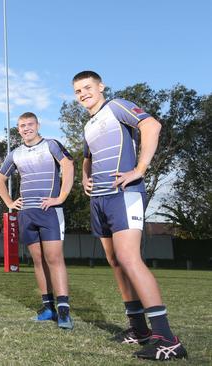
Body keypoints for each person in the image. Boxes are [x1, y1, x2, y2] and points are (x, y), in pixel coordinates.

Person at [73, 71, 186, 360]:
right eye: (78, 91)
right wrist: (84, 177)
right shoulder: (89, 125)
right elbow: (87, 157)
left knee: (129, 258)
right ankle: (139, 330)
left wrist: (140, 168)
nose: (83, 93)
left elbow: (152, 125)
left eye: (87, 87)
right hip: (98, 199)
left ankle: (167, 338)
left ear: (101, 87)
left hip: (125, 193)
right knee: (114, 261)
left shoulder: (116, 106)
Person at [0, 112, 74, 330]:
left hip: (49, 210)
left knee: (54, 258)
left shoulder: (51, 145)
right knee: (38, 261)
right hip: (26, 214)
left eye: (30, 124)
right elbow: (0, 180)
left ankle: (64, 310)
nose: (26, 128)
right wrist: (10, 202)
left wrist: (62, 197)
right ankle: (48, 308)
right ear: (18, 129)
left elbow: (68, 166)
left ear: (38, 125)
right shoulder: (15, 154)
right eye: (22, 126)